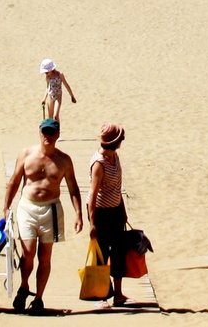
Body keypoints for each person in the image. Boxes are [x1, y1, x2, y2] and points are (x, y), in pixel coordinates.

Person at [5, 118, 83, 315]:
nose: (48, 136)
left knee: (45, 256)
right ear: (40, 133)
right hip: (27, 207)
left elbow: (73, 187)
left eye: (52, 133)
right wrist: (6, 207)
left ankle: (39, 297)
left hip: (51, 210)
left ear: (57, 135)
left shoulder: (64, 160)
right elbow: (14, 181)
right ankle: (24, 287)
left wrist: (79, 213)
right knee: (28, 251)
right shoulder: (26, 154)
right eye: (45, 132)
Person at [87, 124, 130, 308]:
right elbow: (93, 194)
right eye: (121, 139)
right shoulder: (99, 163)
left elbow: (117, 186)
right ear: (115, 141)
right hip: (101, 212)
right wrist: (92, 223)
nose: (122, 141)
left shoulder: (115, 156)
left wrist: (123, 209)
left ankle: (118, 294)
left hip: (116, 210)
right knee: (102, 253)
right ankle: (102, 297)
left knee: (119, 252)